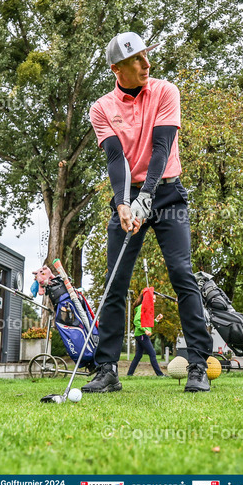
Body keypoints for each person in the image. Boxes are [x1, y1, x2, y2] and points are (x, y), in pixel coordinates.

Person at [82, 31, 214, 393]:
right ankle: (106, 370)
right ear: (116, 68)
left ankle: (198, 365)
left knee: (182, 275)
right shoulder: (101, 108)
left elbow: (161, 148)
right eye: (137, 59)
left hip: (167, 193)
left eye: (146, 56)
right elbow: (116, 160)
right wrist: (124, 203)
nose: (146, 64)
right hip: (130, 195)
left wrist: (149, 196)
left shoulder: (166, 91)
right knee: (115, 282)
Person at [127, 291, 165, 376]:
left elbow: (149, 324)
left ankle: (129, 374)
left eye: (155, 300)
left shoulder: (148, 310)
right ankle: (160, 375)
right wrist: (145, 330)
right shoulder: (141, 308)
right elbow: (136, 321)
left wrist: (156, 320)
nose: (154, 302)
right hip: (141, 335)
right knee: (152, 353)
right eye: (153, 299)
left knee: (138, 356)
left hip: (141, 334)